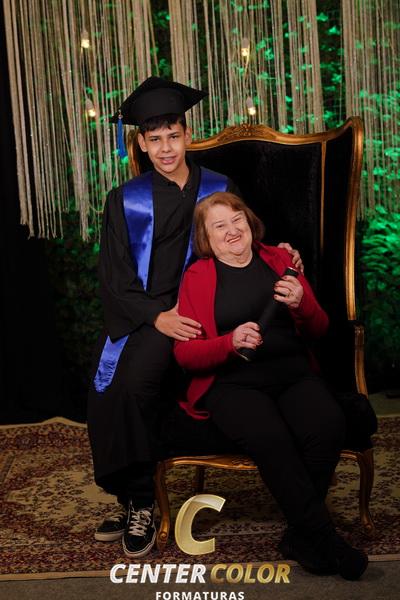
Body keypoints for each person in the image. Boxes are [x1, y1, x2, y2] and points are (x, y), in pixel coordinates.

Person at [87, 76, 303, 559]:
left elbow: (241, 236)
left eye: (173, 136)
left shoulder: (219, 186)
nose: (166, 148)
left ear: (187, 134)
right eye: (155, 139)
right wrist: (157, 317)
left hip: (210, 305)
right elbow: (115, 278)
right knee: (120, 384)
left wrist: (281, 252)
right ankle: (137, 499)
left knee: (141, 382)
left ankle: (139, 498)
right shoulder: (125, 199)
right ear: (141, 143)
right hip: (153, 313)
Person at [173, 191, 368, 580]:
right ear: (206, 238)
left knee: (328, 424)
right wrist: (229, 342)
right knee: (270, 436)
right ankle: (325, 539)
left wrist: (301, 303)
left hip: (292, 373)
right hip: (232, 383)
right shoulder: (197, 277)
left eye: (237, 220)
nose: (232, 231)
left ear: (250, 222)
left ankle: (299, 536)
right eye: (219, 226)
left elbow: (319, 328)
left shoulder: (280, 259)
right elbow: (185, 356)